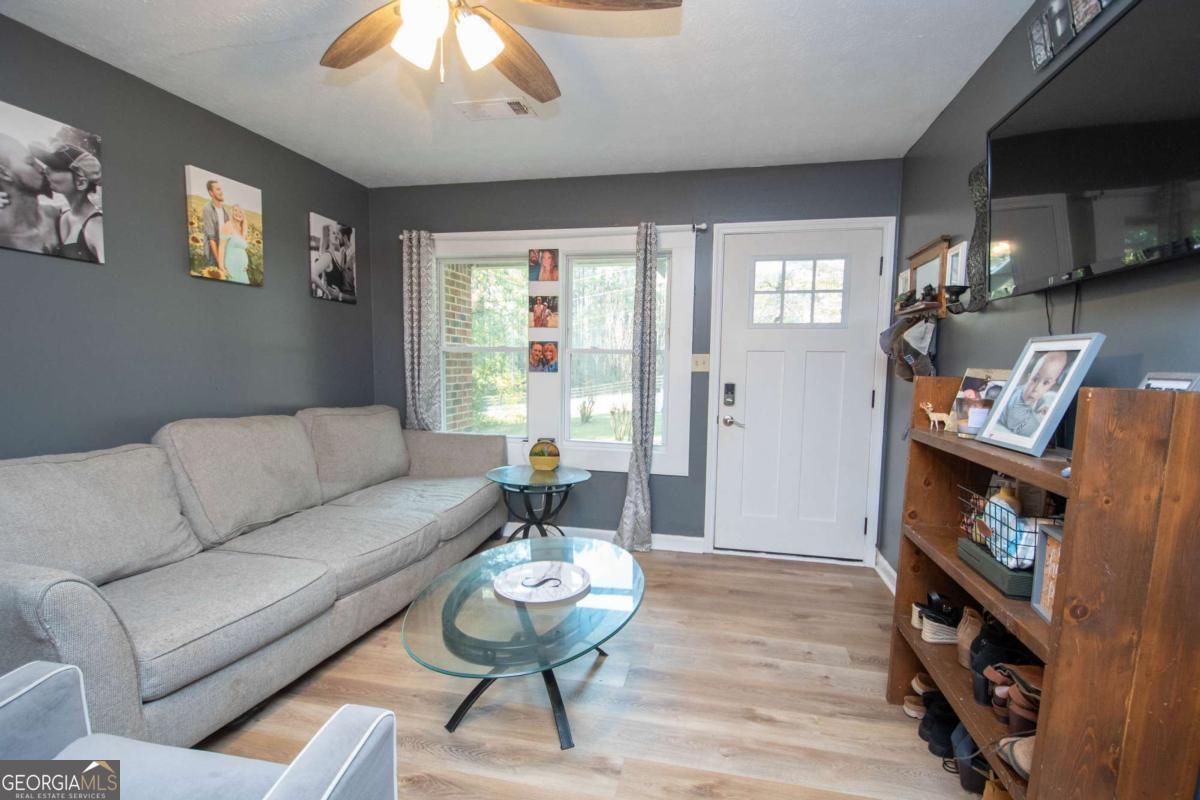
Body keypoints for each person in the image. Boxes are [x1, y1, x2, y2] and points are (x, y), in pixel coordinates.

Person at [33, 143, 103, 262]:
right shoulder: (59, 214)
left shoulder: (97, 227)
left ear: (81, 183)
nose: (45, 170)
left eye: (55, 168)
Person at [0, 133, 58, 255]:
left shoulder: (57, 216)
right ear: (4, 173)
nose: (41, 168)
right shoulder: (4, 236)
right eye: (30, 163)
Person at [996, 351, 1069, 437]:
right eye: (1035, 379)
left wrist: (1042, 408)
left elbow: (1039, 402)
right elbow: (1032, 431)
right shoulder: (1016, 408)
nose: (1036, 388)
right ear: (1029, 377)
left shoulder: (1041, 397)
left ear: (1051, 385)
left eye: (1046, 383)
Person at [219, 205, 251, 284]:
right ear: (232, 213)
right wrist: (221, 266)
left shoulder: (243, 230)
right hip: (231, 265)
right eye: (235, 211)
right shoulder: (228, 225)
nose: (238, 213)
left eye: (240, 212)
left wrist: (245, 264)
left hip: (242, 270)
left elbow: (242, 249)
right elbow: (221, 247)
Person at [202, 179, 228, 273]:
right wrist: (220, 264)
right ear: (211, 193)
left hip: (223, 255)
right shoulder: (208, 209)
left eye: (220, 189)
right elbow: (211, 239)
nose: (221, 192)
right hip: (213, 257)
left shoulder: (225, 213)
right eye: (218, 189)